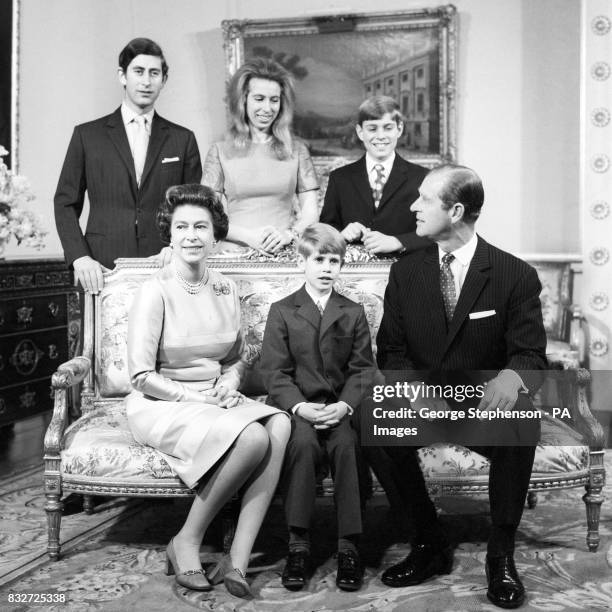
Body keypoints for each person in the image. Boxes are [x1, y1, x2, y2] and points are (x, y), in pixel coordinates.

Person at [374, 165, 547, 608]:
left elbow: (529, 354)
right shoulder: (405, 274)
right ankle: (429, 542)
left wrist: (510, 377)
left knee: (521, 418)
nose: (413, 207)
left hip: (481, 406)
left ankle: (500, 556)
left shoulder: (514, 275)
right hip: (423, 401)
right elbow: (390, 352)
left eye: (424, 199)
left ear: (455, 210)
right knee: (370, 420)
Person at [126, 184, 290, 597]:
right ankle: (187, 539)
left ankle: (237, 558)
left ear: (216, 233)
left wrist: (231, 382)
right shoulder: (155, 290)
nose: (191, 236)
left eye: (201, 226)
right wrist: (197, 397)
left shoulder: (226, 288)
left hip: (214, 398)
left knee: (281, 426)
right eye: (181, 226)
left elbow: (237, 356)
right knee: (253, 435)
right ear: (170, 233)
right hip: (160, 403)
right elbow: (140, 375)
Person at [260, 223, 376, 592]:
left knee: (346, 446)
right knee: (304, 446)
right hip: (302, 408)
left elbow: (363, 369)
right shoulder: (283, 310)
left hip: (339, 406)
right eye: (319, 260)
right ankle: (298, 544)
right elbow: (274, 372)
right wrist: (298, 407)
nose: (327, 268)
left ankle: (349, 546)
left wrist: (345, 406)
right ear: (303, 263)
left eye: (334, 261)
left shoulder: (353, 311)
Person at [54, 38, 202, 294]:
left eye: (154, 73)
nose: (146, 81)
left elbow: (193, 207)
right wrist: (80, 257)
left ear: (163, 80)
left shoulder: (183, 138)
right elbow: (65, 203)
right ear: (122, 76)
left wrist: (177, 247)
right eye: (138, 71)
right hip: (101, 268)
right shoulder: (87, 135)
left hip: (167, 265)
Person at [202, 58, 319, 254]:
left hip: (285, 253)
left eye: (274, 100)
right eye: (259, 99)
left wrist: (288, 235)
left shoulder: (297, 151)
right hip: (234, 256)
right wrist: (249, 237)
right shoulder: (219, 151)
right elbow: (207, 215)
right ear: (243, 100)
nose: (267, 108)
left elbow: (311, 213)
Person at [320, 95, 430, 256]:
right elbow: (325, 230)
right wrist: (341, 234)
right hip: (355, 273)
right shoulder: (340, 178)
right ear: (360, 132)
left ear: (399, 129)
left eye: (388, 128)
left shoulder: (422, 177)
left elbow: (435, 233)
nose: (380, 136)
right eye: (372, 129)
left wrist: (398, 242)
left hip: (407, 270)